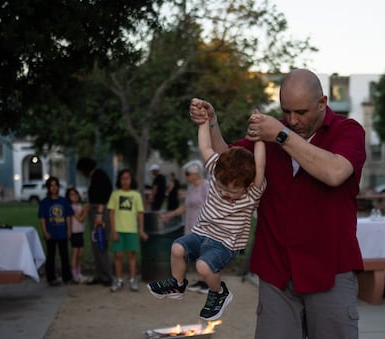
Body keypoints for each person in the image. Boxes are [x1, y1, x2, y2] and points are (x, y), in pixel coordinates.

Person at [189, 69, 366, 339]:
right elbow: (227, 160)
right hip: (276, 264)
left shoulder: (348, 132)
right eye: (286, 112)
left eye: (301, 112)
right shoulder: (270, 136)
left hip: (331, 265)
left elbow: (335, 173)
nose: (293, 120)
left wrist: (281, 135)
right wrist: (213, 123)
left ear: (323, 103)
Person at [148, 100, 266, 322]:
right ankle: (177, 284)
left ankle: (219, 292)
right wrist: (204, 120)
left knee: (203, 266)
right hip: (201, 233)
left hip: (226, 244)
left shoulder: (253, 191)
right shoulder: (217, 169)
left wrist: (259, 136)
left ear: (248, 186)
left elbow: (259, 166)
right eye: (220, 188)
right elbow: (205, 147)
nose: (224, 193)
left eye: (231, 192)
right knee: (176, 248)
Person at [160, 160, 210, 293]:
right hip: (190, 225)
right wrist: (171, 215)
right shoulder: (191, 187)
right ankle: (201, 281)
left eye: (188, 174)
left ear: (196, 173)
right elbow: (185, 206)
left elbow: (212, 206)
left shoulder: (206, 186)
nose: (186, 176)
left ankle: (207, 283)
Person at [107, 169, 148, 292]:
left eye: (128, 178)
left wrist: (141, 230)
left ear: (131, 180)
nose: (125, 181)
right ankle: (119, 280)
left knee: (131, 255)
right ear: (119, 180)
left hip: (131, 230)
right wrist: (113, 231)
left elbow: (140, 214)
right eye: (123, 178)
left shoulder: (136, 195)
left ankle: (132, 279)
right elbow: (111, 214)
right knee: (118, 256)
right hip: (118, 230)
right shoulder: (115, 194)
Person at [76, 157, 113, 287]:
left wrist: (99, 214)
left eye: (81, 171)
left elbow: (104, 195)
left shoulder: (99, 176)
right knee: (95, 243)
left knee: (101, 243)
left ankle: (107, 276)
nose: (80, 173)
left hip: (99, 212)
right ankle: (99, 274)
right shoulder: (95, 176)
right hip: (94, 210)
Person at [37, 177, 73, 286]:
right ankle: (51, 278)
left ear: (58, 187)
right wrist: (45, 231)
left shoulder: (64, 201)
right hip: (51, 233)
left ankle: (67, 277)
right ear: (48, 187)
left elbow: (68, 217)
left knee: (64, 255)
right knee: (51, 256)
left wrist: (69, 230)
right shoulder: (45, 202)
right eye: (51, 185)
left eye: (55, 185)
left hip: (62, 232)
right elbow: (42, 218)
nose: (53, 188)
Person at [66, 187, 91, 284]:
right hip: (74, 232)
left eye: (75, 194)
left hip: (80, 232)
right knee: (75, 253)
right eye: (72, 195)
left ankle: (79, 272)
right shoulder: (71, 207)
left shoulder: (79, 206)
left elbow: (81, 215)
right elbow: (80, 218)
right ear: (68, 197)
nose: (74, 196)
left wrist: (84, 208)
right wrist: (86, 209)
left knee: (80, 254)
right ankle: (74, 275)